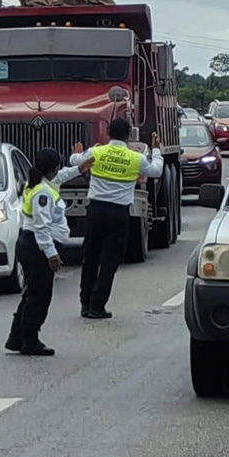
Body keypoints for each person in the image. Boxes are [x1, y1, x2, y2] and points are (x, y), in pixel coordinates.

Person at [70, 119, 164, 319]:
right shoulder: (135, 157)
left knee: (90, 258)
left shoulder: (96, 152)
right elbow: (156, 170)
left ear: (108, 133)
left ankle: (85, 304)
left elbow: (76, 163)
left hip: (95, 211)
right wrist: (156, 150)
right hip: (119, 214)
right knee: (109, 261)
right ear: (129, 135)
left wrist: (76, 152)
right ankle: (98, 305)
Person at [5, 148, 93, 356]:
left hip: (31, 245)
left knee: (31, 293)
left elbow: (61, 176)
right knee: (39, 296)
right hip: (37, 247)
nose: (59, 171)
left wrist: (80, 168)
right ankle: (30, 340)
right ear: (52, 169)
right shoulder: (43, 192)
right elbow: (42, 227)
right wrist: (51, 254)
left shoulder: (38, 183)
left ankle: (17, 337)